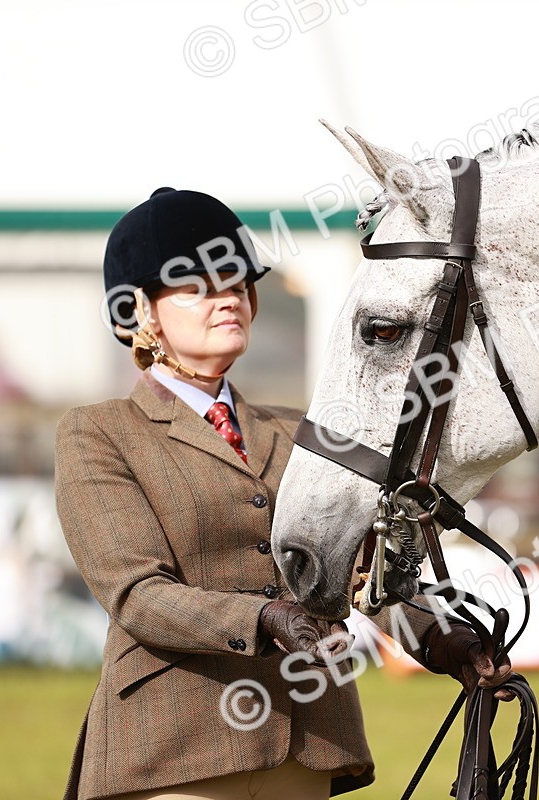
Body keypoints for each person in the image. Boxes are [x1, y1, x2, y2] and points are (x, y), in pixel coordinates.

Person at [56, 187, 509, 800]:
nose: (229, 298)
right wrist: (265, 618)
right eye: (198, 287)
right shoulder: (98, 433)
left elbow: (360, 574)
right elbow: (137, 594)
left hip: (306, 739)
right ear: (142, 310)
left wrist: (440, 640)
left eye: (237, 282)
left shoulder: (302, 431)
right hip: (174, 744)